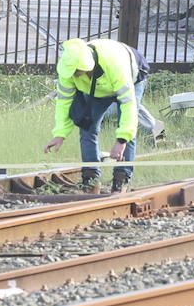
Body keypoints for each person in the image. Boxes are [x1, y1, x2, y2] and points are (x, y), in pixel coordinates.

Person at [44, 37, 149, 192]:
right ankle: (91, 178)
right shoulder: (69, 72)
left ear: (87, 66)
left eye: (77, 72)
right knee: (87, 127)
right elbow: (64, 103)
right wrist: (60, 134)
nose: (75, 76)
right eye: (72, 72)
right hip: (96, 90)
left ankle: (122, 178)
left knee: (128, 129)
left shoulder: (114, 65)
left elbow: (129, 106)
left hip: (131, 79)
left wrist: (121, 140)